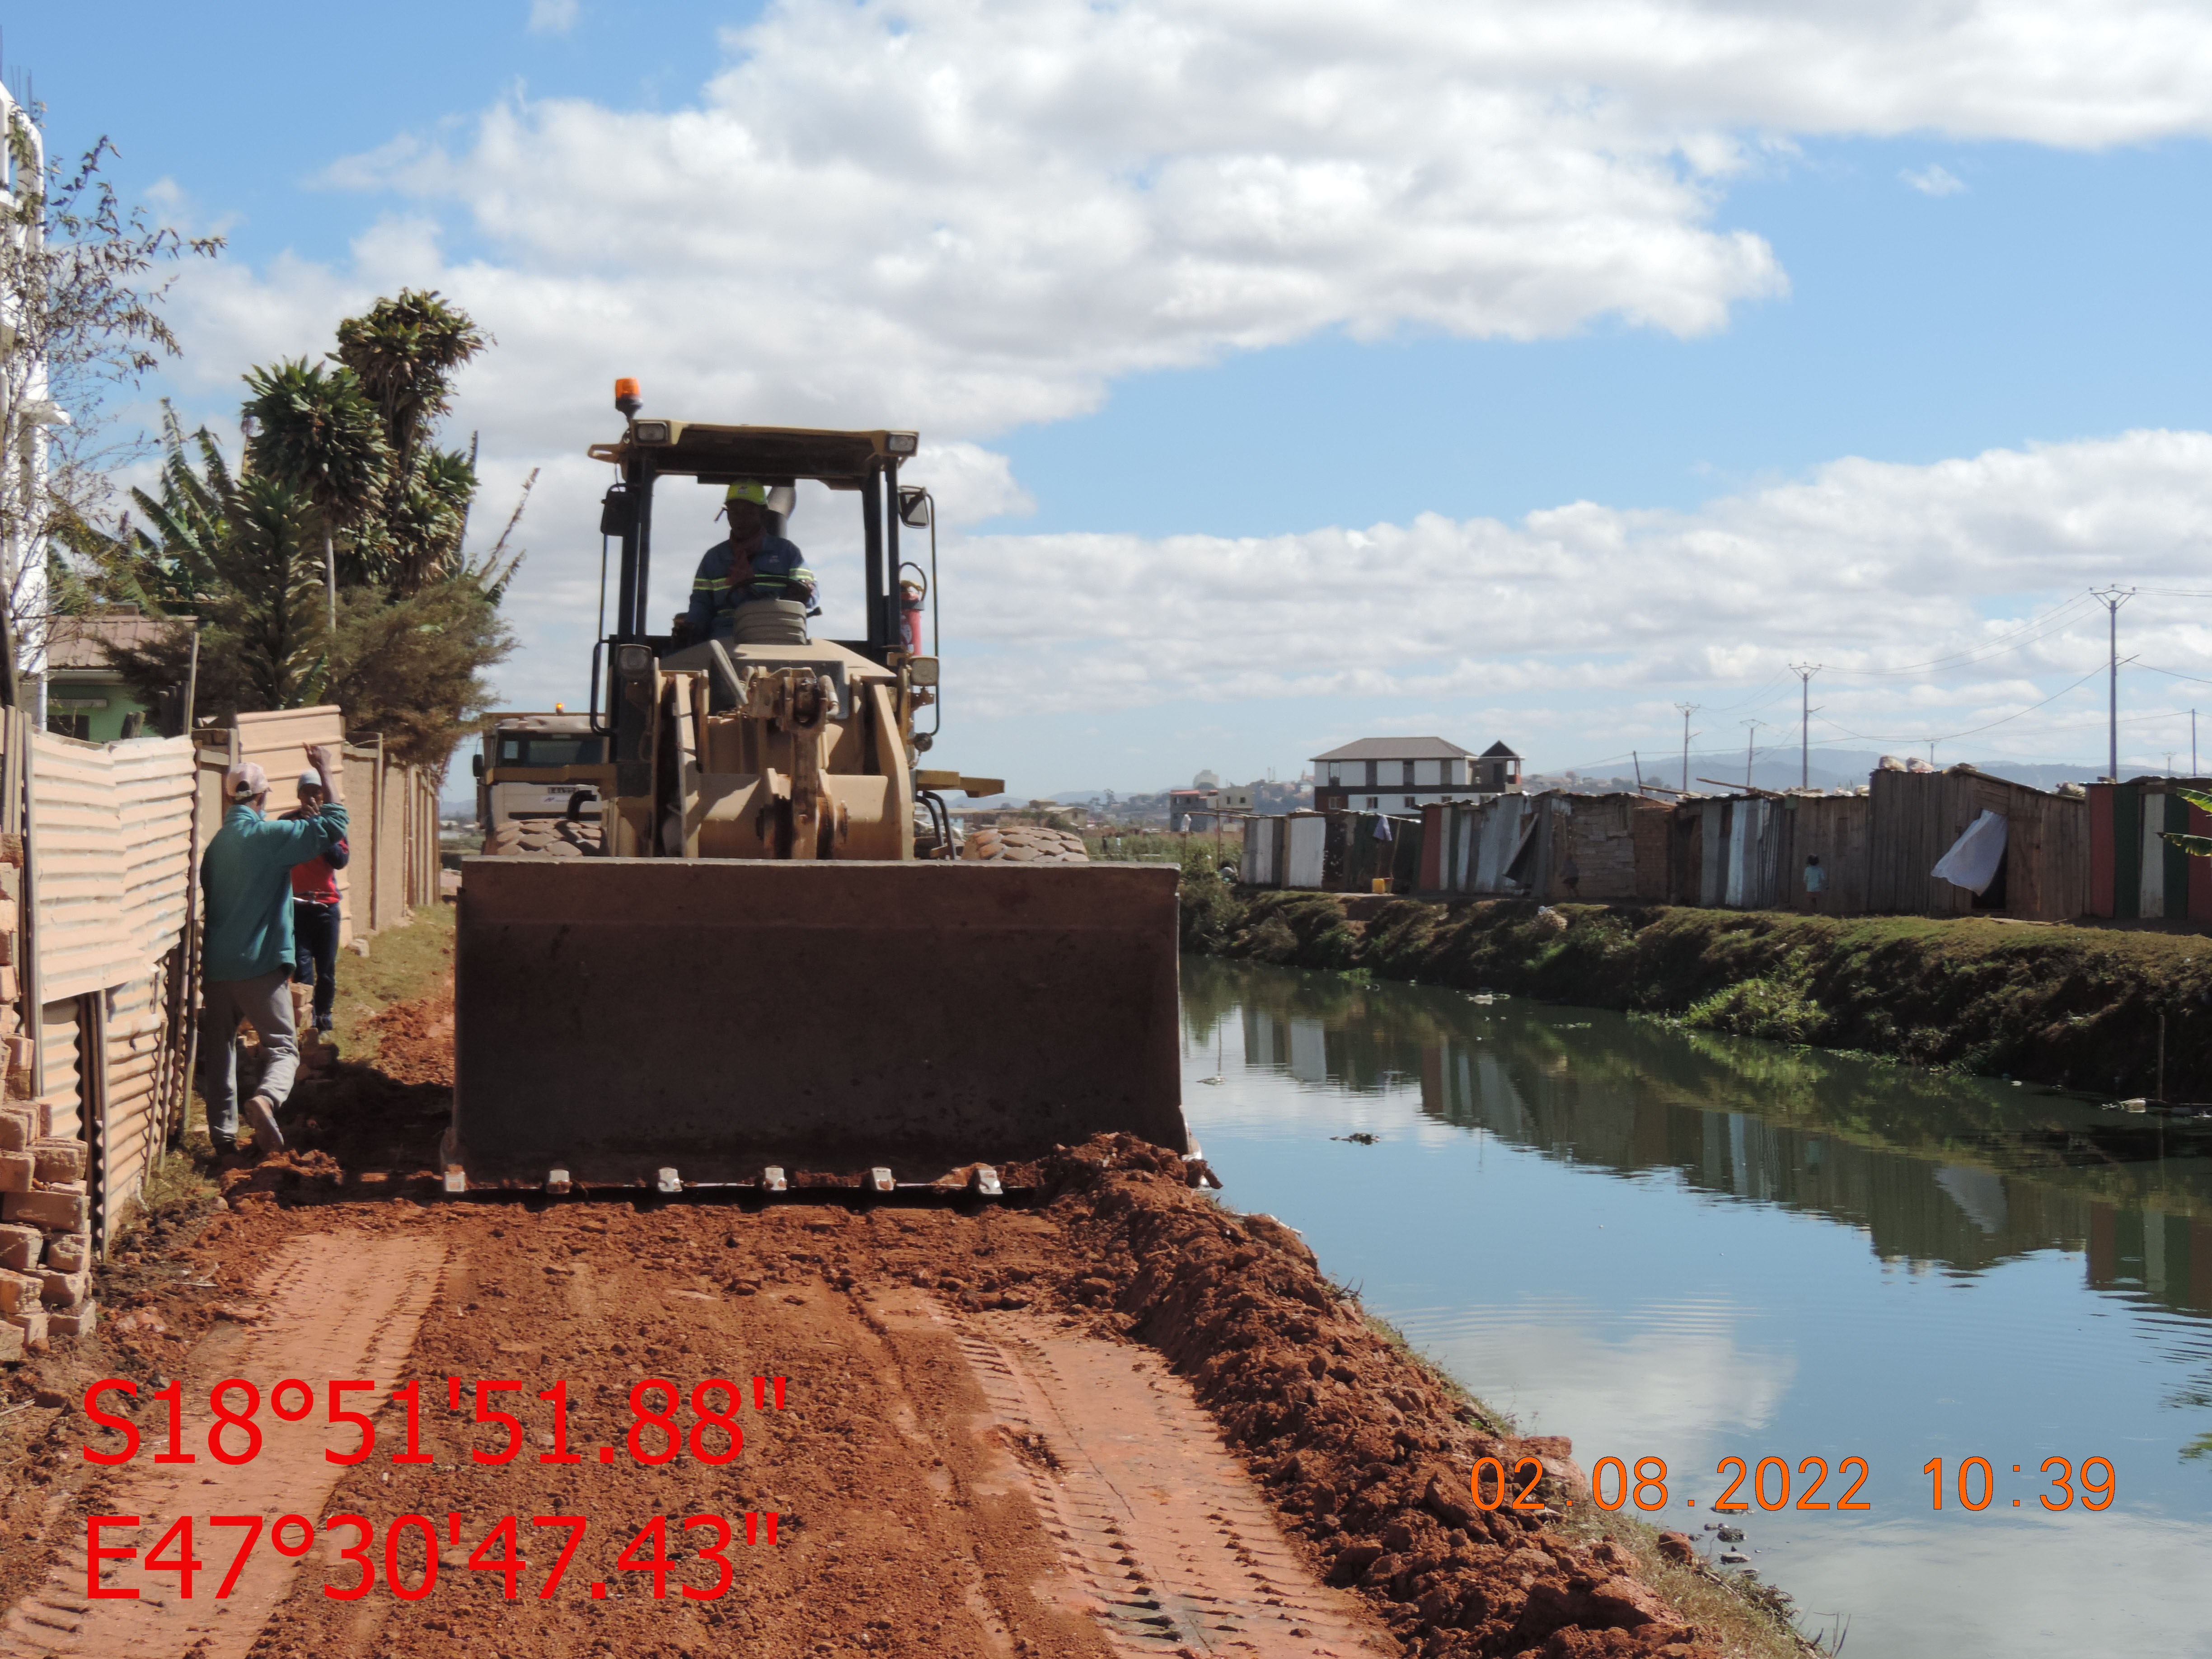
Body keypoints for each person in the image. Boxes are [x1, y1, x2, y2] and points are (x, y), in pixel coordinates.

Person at [199, 745, 348, 1154]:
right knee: (283, 1046)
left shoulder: (216, 848)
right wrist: (324, 769)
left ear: (230, 798)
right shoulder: (269, 837)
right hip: (259, 965)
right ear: (262, 798)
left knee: (221, 1051)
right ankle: (265, 1099)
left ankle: (222, 1139)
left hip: (216, 968)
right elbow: (334, 825)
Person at [683, 480, 817, 643]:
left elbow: (809, 592)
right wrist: (691, 629)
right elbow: (701, 604)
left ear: (762, 513)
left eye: (747, 512)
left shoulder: (787, 553)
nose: (740, 519)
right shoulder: (714, 558)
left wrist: (804, 591)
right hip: (725, 639)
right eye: (734, 512)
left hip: (778, 636)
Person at [283, 769, 351, 1033]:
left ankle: (324, 1015)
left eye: (317, 792)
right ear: (299, 795)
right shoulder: (287, 822)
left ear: (324, 797)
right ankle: (306, 1020)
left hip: (327, 908)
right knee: (301, 968)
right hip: (297, 906)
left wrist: (319, 827)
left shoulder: (333, 826)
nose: (312, 797)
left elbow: (340, 860)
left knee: (326, 969)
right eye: (307, 791)